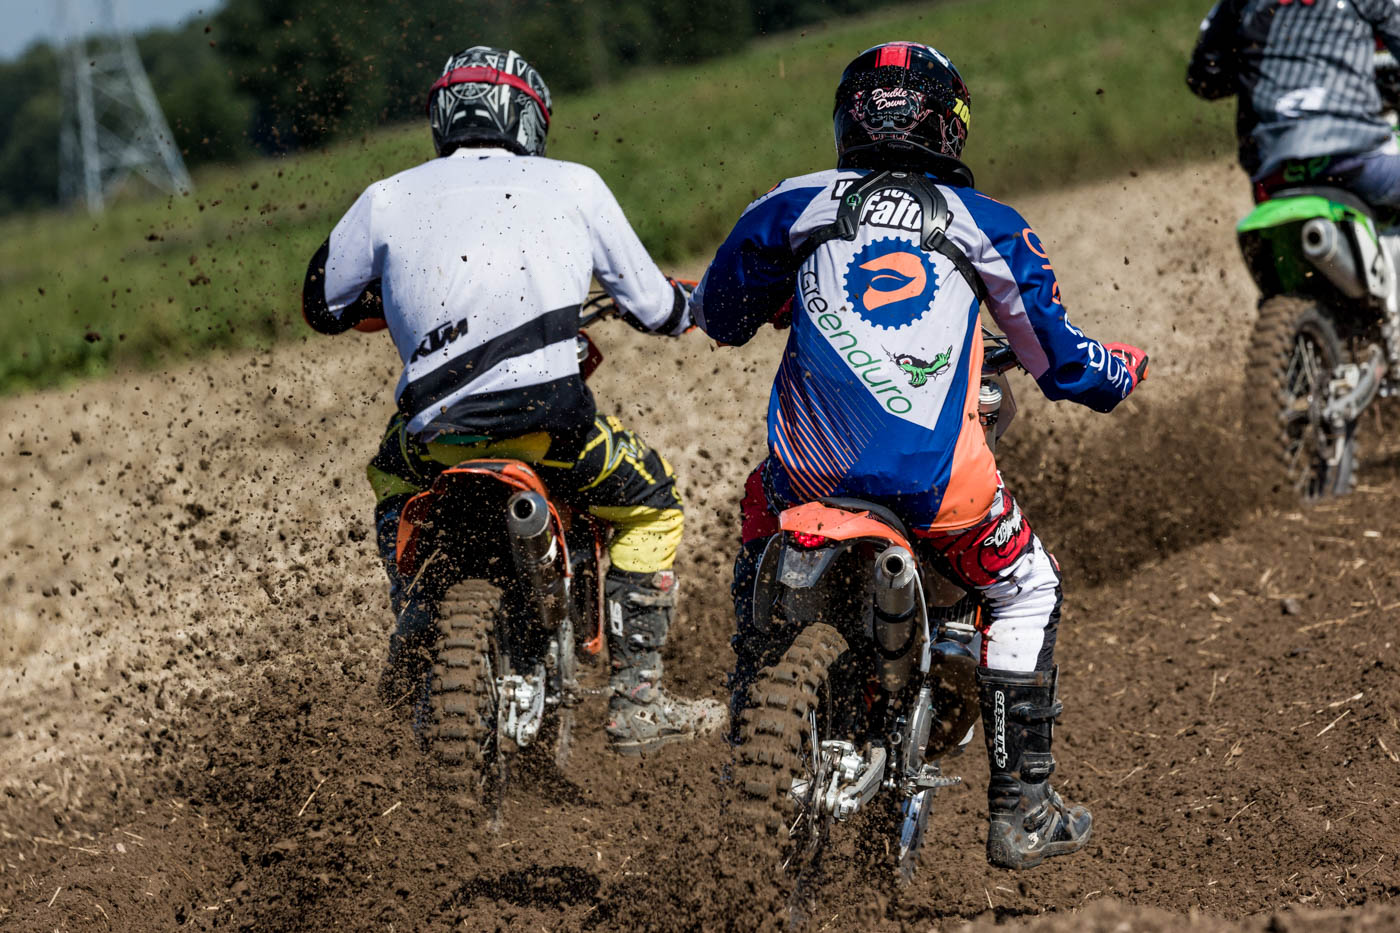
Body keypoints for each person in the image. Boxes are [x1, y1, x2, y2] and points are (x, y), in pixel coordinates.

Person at [689, 42, 1149, 869]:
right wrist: (1121, 370)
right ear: (948, 126)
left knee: (759, 514)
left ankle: (752, 697)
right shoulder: (988, 223)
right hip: (938, 493)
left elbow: (720, 315)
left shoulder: (793, 201)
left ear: (848, 120)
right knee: (1028, 586)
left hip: (806, 479)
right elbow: (1063, 365)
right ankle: (1022, 808)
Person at [300, 46, 723, 755]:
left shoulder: (384, 197)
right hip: (550, 426)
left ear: (442, 117)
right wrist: (685, 308)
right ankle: (637, 699)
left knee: (391, 480)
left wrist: (383, 300)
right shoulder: (575, 183)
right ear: (529, 116)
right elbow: (654, 307)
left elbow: (320, 306)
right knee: (652, 502)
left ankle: (416, 615)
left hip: (435, 434)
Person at [1187, 0, 1400, 206]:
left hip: (1271, 165)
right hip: (1351, 153)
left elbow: (1203, 78)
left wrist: (1256, 75)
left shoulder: (1240, 4)